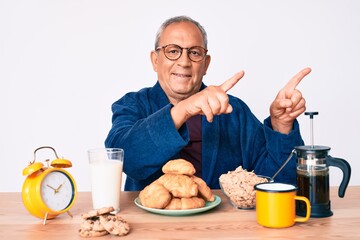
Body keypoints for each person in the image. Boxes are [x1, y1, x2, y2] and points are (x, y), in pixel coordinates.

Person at [105, 16, 311, 191]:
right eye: (173, 51)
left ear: (206, 64)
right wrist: (184, 109)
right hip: (152, 230)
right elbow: (125, 160)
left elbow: (275, 181)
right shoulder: (133, 105)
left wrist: (281, 126)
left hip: (219, 228)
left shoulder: (233, 111)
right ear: (155, 60)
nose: (184, 61)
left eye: (194, 52)